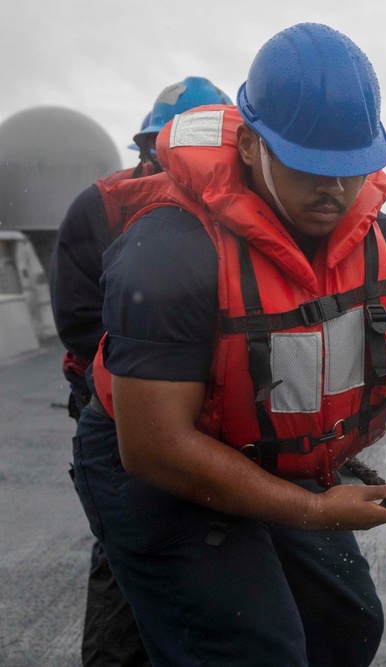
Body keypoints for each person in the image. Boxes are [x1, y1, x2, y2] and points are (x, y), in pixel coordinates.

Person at [72, 22, 386, 667]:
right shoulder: (170, 255)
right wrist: (311, 511)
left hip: (274, 455)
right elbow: (156, 446)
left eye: (350, 168)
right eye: (310, 166)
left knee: (344, 629)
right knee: (250, 648)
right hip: (153, 471)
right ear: (253, 144)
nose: (334, 190)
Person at [49, 76, 232, 667]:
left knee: (216, 543)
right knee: (130, 552)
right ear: (151, 145)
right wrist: (164, 381)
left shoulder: (228, 208)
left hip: (211, 413)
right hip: (114, 410)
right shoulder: (99, 207)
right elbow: (79, 321)